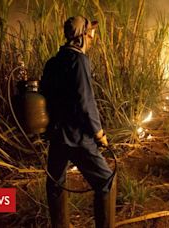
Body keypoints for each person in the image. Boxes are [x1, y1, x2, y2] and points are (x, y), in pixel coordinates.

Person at [40, 16, 116, 228]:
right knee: (106, 181)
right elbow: (86, 101)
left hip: (56, 136)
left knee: (55, 183)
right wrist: (99, 133)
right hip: (77, 137)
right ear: (82, 36)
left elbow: (45, 96)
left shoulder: (53, 62)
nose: (92, 37)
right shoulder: (79, 61)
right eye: (90, 33)